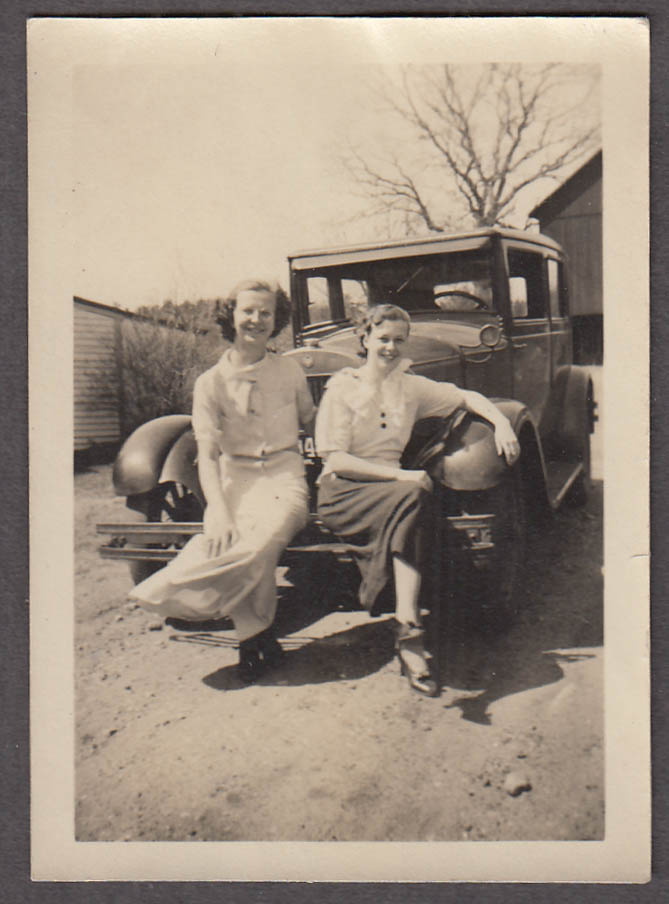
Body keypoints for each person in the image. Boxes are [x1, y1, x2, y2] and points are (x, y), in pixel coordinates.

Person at [315, 303, 519, 697]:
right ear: (365, 338)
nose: (390, 348)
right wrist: (399, 474)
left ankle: (408, 623)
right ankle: (409, 633)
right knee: (413, 493)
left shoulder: (409, 386)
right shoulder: (342, 387)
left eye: (398, 341)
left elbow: (465, 397)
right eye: (383, 339)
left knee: (413, 498)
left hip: (394, 491)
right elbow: (335, 459)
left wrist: (502, 421)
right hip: (344, 488)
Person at [129, 279, 316, 683]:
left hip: (284, 475)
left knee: (262, 540)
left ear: (276, 320)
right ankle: (257, 642)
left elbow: (313, 421)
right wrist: (217, 509)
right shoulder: (209, 384)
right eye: (248, 310)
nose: (257, 320)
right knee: (233, 538)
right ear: (231, 316)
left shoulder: (289, 369)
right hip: (235, 478)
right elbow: (208, 454)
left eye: (266, 312)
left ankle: (178, 588)